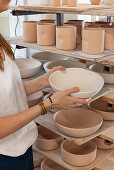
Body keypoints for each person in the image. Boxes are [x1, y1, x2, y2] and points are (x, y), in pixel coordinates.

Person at [0, 0, 90, 169]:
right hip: (4, 156)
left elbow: (7, 94)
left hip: (22, 145)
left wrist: (41, 82)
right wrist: (47, 105)